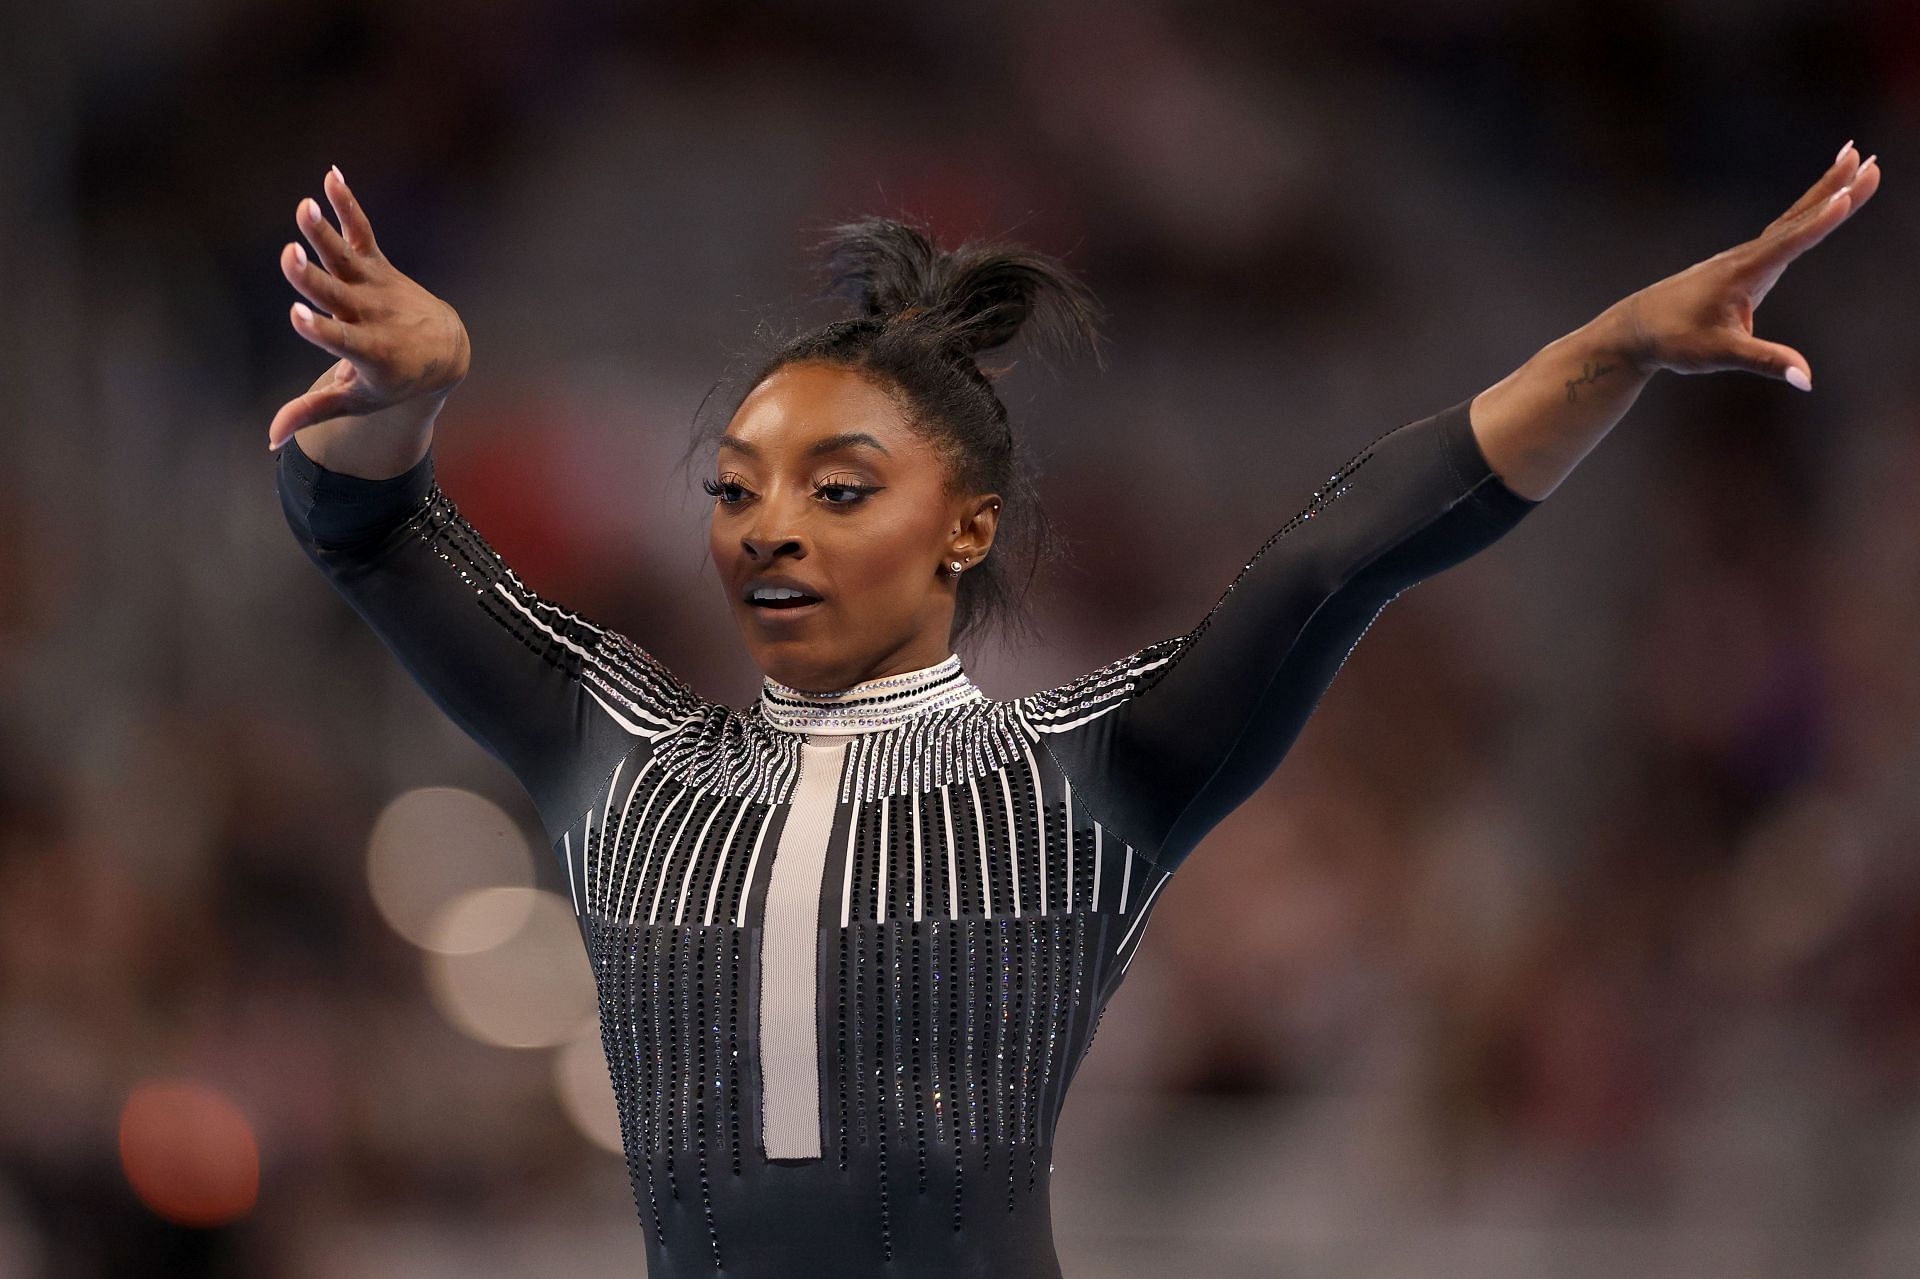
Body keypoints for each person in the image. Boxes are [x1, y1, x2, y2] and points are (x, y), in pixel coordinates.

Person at [267, 148, 1880, 1278]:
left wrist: (1611, 349)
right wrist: (400, 396)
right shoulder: (618, 755)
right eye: (740, 489)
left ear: (965, 526)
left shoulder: (1082, 776)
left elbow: (1348, 543)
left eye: (839, 490)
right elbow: (365, 532)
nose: (772, 530)